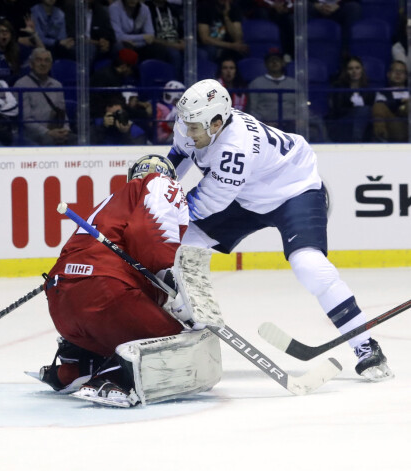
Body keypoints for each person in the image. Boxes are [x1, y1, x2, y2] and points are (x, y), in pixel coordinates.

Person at [167, 78, 393, 381]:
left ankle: (364, 346)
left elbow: (206, 204)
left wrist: (160, 210)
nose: (186, 131)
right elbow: (177, 158)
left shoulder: (235, 150)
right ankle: (184, 315)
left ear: (217, 123)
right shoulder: (198, 125)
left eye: (193, 126)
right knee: (177, 245)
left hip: (294, 191)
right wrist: (150, 182)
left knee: (310, 266)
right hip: (246, 194)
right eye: (186, 123)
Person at [40, 154, 203, 404]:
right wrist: (177, 285)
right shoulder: (161, 183)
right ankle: (116, 377)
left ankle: (75, 366)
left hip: (61, 303)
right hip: (106, 295)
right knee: (174, 339)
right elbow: (150, 233)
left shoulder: (113, 201)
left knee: (112, 326)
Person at [14, 48, 75, 145]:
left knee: (76, 140)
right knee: (48, 141)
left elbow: (62, 113)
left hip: (55, 131)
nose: (43, 64)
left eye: (47, 60)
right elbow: (25, 119)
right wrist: (47, 132)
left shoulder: (57, 85)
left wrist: (65, 129)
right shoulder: (21, 85)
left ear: (51, 65)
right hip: (32, 134)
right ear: (31, 64)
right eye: (39, 60)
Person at [247, 48, 296, 132]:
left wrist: (298, 120)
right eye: (271, 60)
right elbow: (252, 109)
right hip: (264, 127)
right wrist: (263, 123)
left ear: (283, 63)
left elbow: (301, 107)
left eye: (277, 60)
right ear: (266, 64)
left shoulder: (295, 84)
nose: (274, 62)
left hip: (291, 126)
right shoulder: (255, 84)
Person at [328, 56, 375, 142]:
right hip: (344, 122)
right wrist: (356, 110)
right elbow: (337, 110)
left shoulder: (368, 89)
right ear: (346, 71)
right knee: (363, 110)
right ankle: (356, 140)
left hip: (365, 124)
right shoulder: (338, 87)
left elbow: (372, 108)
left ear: (362, 70)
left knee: (366, 111)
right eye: (350, 68)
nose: (354, 71)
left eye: (357, 68)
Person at [89, 48, 139, 118]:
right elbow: (114, 104)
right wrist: (144, 113)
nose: (131, 72)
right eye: (131, 68)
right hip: (98, 116)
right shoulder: (107, 77)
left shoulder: (115, 75)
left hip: (106, 112)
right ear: (124, 66)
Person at [372, 60, 409, 143]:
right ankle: (381, 139)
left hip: (408, 124)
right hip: (395, 127)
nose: (398, 74)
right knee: (378, 106)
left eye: (401, 72)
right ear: (388, 74)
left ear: (406, 76)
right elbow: (380, 108)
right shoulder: (382, 92)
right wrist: (401, 103)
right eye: (395, 71)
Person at [155, 79, 184, 144]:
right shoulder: (160, 106)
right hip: (162, 136)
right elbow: (163, 124)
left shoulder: (175, 108)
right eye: (176, 100)